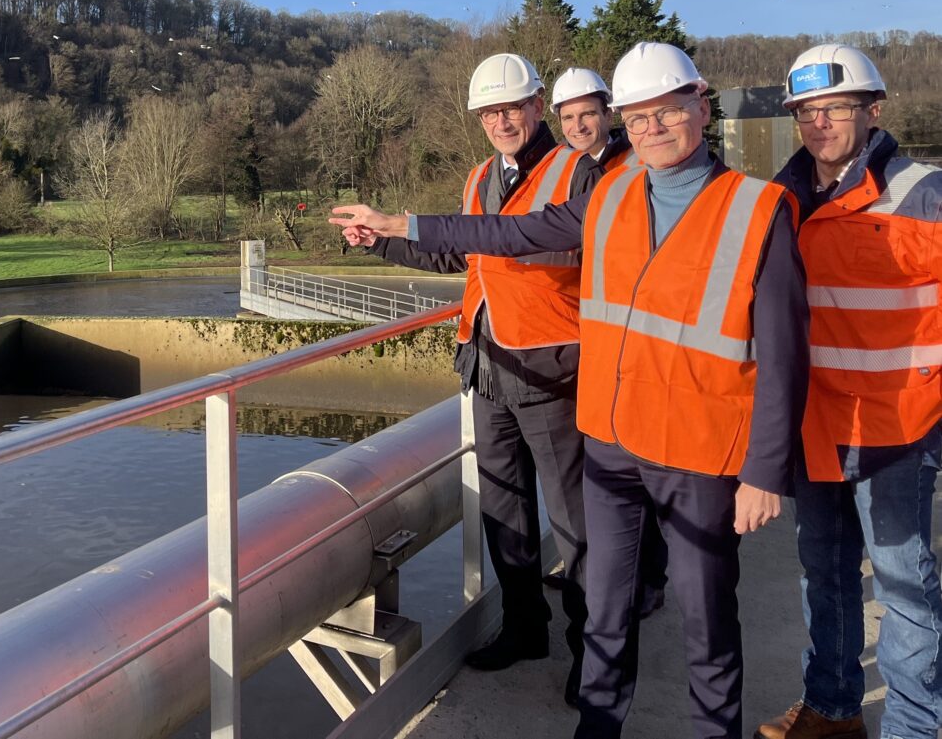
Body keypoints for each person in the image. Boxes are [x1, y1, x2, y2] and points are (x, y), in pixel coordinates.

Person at [333, 41, 809, 739]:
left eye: (666, 112)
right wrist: (397, 227)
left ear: (700, 106)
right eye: (638, 117)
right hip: (612, 438)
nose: (651, 128)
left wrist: (766, 470)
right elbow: (505, 231)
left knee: (706, 612)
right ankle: (597, 724)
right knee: (608, 607)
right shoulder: (607, 195)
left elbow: (787, 352)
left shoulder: (756, 209)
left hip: (696, 446)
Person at [358, 53, 601, 705]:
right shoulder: (478, 178)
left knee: (576, 523)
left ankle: (594, 658)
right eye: (489, 112)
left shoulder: (578, 172)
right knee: (504, 510)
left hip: (552, 369)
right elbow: (453, 250)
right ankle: (525, 627)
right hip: (488, 363)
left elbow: (542, 241)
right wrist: (378, 240)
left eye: (512, 107)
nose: (501, 120)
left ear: (537, 105)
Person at [754, 44, 942, 739]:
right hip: (816, 425)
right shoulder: (782, 199)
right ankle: (832, 709)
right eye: (806, 111)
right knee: (823, 573)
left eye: (835, 107)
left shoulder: (923, 194)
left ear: (873, 110)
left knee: (904, 586)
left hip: (898, 428)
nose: (819, 122)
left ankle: (916, 728)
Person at [549, 67, 668, 617]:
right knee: (615, 483)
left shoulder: (630, 168)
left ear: (608, 113)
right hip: (597, 341)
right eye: (569, 118)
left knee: (640, 481)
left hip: (642, 342)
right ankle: (626, 582)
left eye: (587, 114)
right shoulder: (577, 170)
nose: (578, 125)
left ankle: (645, 585)